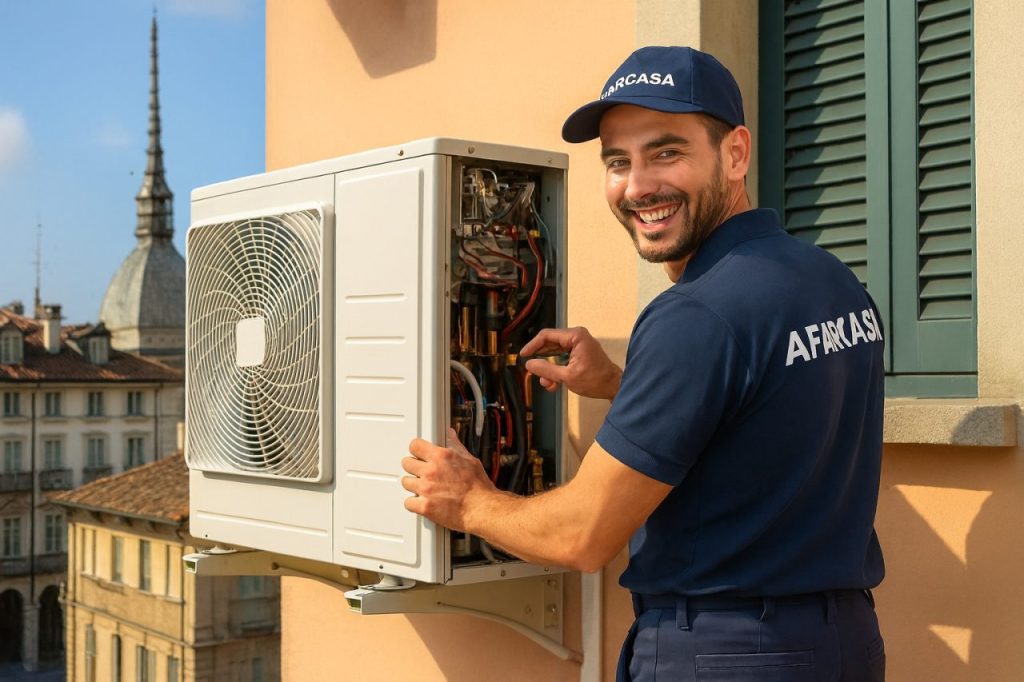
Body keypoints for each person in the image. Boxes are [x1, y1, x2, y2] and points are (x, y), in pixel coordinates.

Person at [401, 46, 885, 681]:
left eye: (666, 152)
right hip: (841, 645)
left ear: (735, 153)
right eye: (617, 162)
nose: (637, 187)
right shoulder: (831, 280)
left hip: (724, 653)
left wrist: (468, 502)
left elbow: (582, 536)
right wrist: (620, 386)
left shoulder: (696, 315)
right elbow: (759, 417)